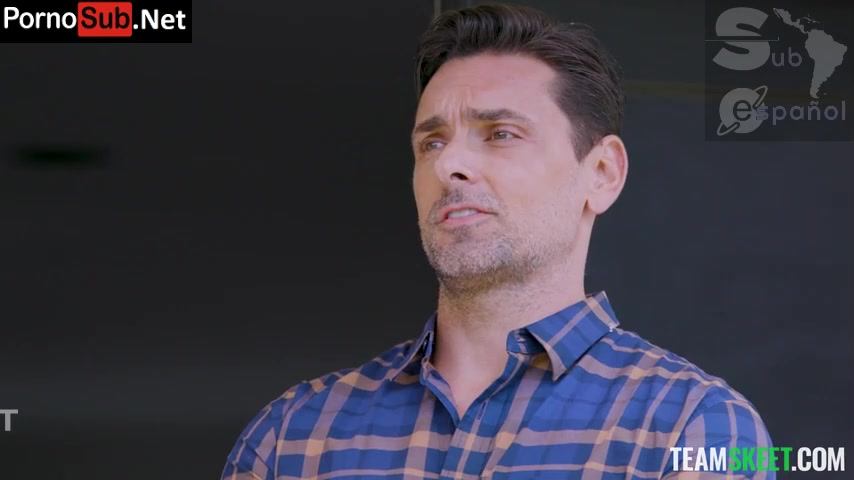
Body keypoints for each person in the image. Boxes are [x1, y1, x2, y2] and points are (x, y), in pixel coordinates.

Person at [221, 4, 774, 479]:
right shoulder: (291, 438)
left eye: (500, 134)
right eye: (431, 142)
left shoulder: (694, 430)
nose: (449, 164)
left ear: (602, 173)